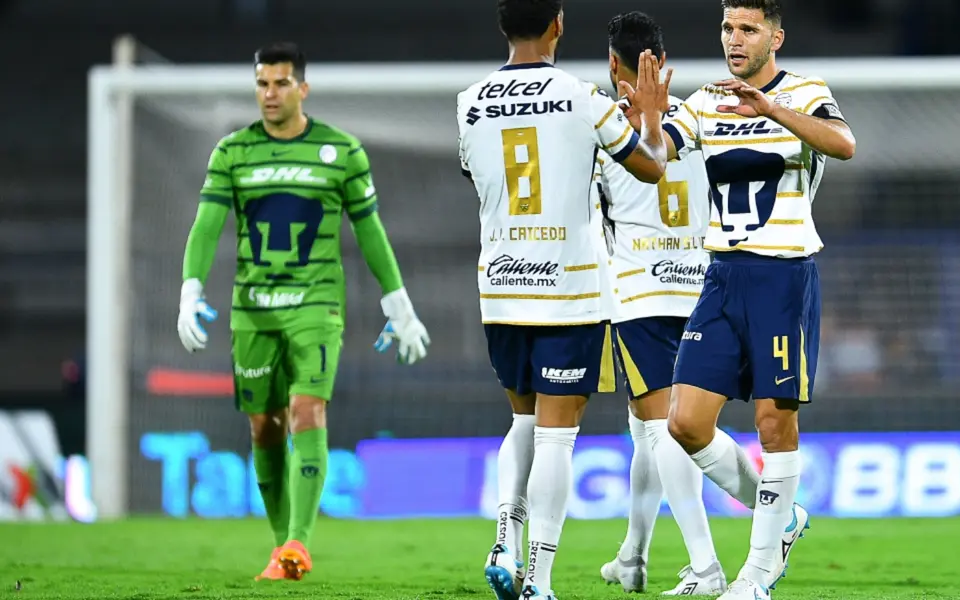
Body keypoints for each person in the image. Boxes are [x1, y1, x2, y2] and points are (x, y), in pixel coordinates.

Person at [175, 42, 431, 582]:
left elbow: (370, 233)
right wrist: (190, 288)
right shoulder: (232, 152)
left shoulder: (341, 152)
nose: (270, 93)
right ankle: (281, 546)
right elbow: (206, 226)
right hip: (253, 309)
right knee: (263, 426)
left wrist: (398, 302)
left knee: (307, 410)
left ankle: (299, 541)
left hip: (316, 305)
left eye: (281, 83)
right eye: (263, 83)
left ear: (303, 88)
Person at [456, 2, 671, 599]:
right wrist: (649, 122)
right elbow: (651, 169)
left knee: (521, 420)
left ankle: (505, 536)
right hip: (569, 288)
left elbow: (475, 176)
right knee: (556, 435)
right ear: (558, 24)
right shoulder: (583, 97)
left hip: (501, 285)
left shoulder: (468, 101)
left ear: (504, 26)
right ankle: (540, 582)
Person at [654, 1, 857, 598]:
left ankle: (758, 574)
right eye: (727, 28)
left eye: (747, 29)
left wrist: (773, 110)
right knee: (686, 423)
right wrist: (642, 123)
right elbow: (657, 155)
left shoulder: (807, 90)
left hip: (783, 278)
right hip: (721, 278)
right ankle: (782, 513)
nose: (734, 40)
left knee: (774, 423)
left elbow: (843, 144)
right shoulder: (704, 100)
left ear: (776, 36)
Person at [594, 11, 724, 597]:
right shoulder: (697, 117)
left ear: (616, 64)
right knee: (644, 429)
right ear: (661, 63)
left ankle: (705, 564)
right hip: (699, 288)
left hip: (639, 295)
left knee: (662, 432)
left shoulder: (604, 130)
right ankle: (634, 556)